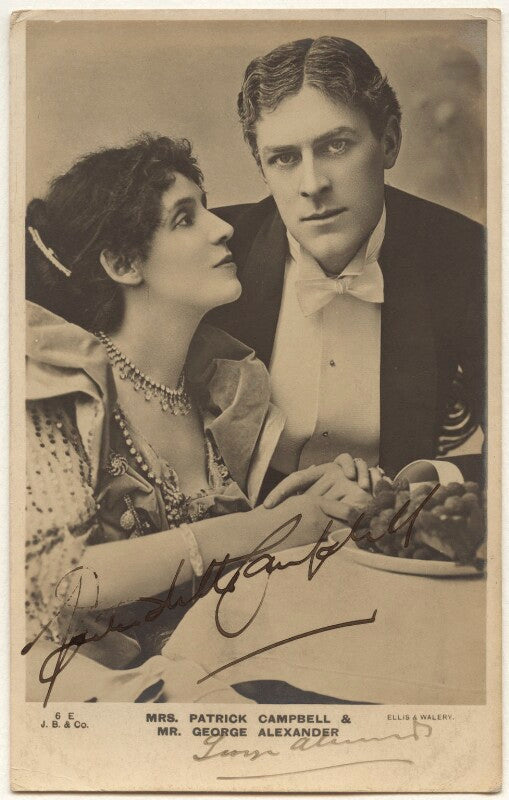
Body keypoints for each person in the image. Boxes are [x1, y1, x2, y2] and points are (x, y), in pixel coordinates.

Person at [24, 134, 378, 702]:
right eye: (185, 219)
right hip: (83, 691)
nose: (223, 228)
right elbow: (55, 580)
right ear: (122, 263)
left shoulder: (225, 391)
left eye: (207, 208)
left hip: (208, 669)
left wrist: (305, 506)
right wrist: (266, 528)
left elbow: (220, 571)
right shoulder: (60, 391)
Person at [210, 36, 486, 490]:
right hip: (248, 523)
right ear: (261, 167)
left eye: (336, 146)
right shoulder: (215, 252)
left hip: (395, 517)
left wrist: (430, 483)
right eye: (284, 158)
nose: (312, 184)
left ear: (389, 142)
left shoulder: (467, 255)